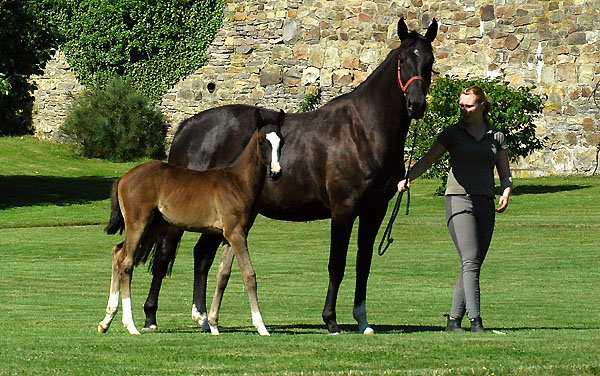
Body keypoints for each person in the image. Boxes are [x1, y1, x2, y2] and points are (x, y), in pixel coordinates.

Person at [397, 86, 512, 333]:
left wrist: (505, 190)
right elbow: (428, 160)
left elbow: (505, 173)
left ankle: (453, 321)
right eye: (461, 105)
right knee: (470, 259)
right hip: (459, 200)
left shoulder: (496, 136)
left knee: (473, 263)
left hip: (486, 203)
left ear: (482, 106)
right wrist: (408, 178)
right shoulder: (452, 134)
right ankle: (476, 321)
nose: (464, 110)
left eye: (469, 106)